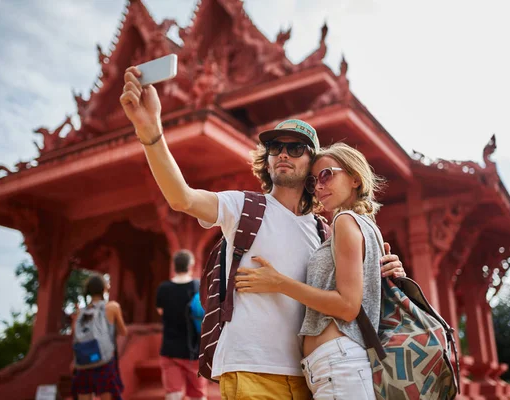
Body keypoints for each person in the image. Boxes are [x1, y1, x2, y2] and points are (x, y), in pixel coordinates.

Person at [120, 66, 404, 399]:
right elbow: (182, 198)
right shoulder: (243, 208)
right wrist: (150, 130)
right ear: (267, 161)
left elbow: (347, 297)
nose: (283, 153)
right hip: (249, 368)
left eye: (296, 148)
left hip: (310, 375)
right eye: (276, 147)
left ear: (313, 167)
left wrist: (385, 271)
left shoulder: (324, 230)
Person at [235, 142, 405, 399]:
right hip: (335, 365)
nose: (320, 186)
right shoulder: (364, 227)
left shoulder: (345, 221)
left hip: (339, 362)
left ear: (355, 179)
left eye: (327, 175)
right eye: (313, 181)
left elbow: (348, 306)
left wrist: (278, 282)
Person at [156, 249, 207, 400]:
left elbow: (160, 311)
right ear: (190, 265)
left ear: (174, 266)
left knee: (174, 394)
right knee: (198, 395)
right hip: (195, 350)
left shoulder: (163, 288)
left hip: (170, 348)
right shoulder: (198, 286)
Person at [71, 274, 128, 400]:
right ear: (104, 289)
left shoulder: (80, 313)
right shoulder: (112, 307)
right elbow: (123, 332)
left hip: (83, 362)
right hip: (104, 361)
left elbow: (75, 336)